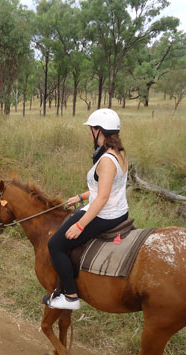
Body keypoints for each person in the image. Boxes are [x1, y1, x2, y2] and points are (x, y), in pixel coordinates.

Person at [46, 108, 129, 310]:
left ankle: (71, 297)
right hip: (119, 210)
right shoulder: (119, 152)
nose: (89, 132)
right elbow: (108, 186)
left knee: (55, 245)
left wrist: (81, 225)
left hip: (106, 214)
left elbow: (102, 198)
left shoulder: (107, 160)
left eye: (91, 129)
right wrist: (82, 196)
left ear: (99, 131)